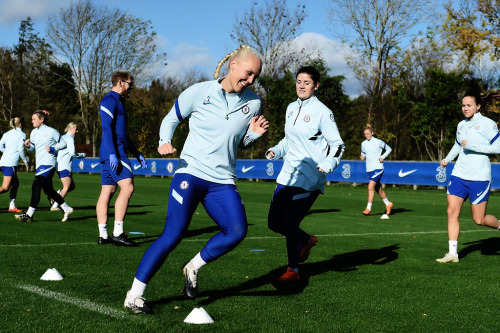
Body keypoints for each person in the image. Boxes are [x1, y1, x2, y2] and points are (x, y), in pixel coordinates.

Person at [123, 45, 269, 314]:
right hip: (190, 173)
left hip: (222, 180)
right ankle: (135, 295)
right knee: (173, 234)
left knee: (237, 231)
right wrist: (164, 141)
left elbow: (239, 143)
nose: (250, 81)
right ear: (232, 65)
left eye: (255, 77)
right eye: (248, 73)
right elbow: (170, 119)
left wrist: (254, 136)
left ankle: (193, 266)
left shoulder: (254, 103)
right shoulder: (199, 92)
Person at [265, 66, 345, 282]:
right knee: (273, 223)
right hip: (287, 175)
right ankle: (306, 240)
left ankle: (293, 271)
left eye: (306, 82)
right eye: (299, 81)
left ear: (316, 86)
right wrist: (276, 150)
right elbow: (288, 141)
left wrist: (329, 163)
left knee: (289, 222)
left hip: (309, 179)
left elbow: (337, 144)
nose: (301, 86)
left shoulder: (322, 112)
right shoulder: (291, 108)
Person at [437, 92, 500, 263]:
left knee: (479, 219)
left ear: (478, 106)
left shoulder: (488, 124)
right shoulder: (461, 125)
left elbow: (498, 147)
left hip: (479, 177)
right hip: (459, 174)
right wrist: (447, 159)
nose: (465, 108)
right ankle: (452, 254)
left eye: (469, 105)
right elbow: (458, 145)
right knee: (451, 211)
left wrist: (473, 145)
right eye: (463, 105)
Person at [96, 71, 147, 246]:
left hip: (114, 151)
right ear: (119, 83)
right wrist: (112, 153)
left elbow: (123, 134)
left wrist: (137, 152)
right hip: (115, 152)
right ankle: (118, 232)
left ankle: (103, 235)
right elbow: (106, 129)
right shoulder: (109, 101)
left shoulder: (120, 103)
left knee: (108, 191)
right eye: (129, 84)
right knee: (128, 187)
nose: (130, 88)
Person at [14, 110, 74, 222]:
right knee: (49, 191)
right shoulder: (33, 132)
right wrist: (28, 146)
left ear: (41, 119)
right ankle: (67, 208)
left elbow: (63, 144)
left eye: (34, 119)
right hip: (40, 164)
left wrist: (52, 148)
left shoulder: (52, 131)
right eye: (32, 119)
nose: (32, 121)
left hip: (49, 163)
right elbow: (32, 148)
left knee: (36, 185)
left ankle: (29, 215)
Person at [50, 122, 86, 212]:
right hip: (65, 166)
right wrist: (82, 155)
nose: (77, 131)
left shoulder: (62, 137)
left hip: (59, 166)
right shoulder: (69, 138)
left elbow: (55, 150)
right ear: (70, 129)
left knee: (71, 186)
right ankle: (55, 205)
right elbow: (72, 153)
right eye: (75, 129)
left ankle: (56, 194)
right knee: (66, 187)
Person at [360, 124, 393, 217]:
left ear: (372, 133)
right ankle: (388, 204)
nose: (367, 135)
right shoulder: (363, 144)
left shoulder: (378, 142)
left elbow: (389, 149)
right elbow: (363, 154)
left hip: (378, 168)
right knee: (377, 189)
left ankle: (368, 208)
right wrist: (362, 157)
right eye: (365, 134)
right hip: (369, 169)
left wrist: (382, 157)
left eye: (368, 133)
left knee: (370, 187)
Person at [0, 117, 29, 212]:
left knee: (15, 184)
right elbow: (21, 149)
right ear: (20, 124)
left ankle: (12, 206)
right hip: (10, 163)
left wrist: (7, 152)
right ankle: (11, 206)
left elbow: (0, 146)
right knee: (5, 187)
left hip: (4, 161)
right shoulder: (22, 134)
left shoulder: (7, 133)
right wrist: (25, 160)